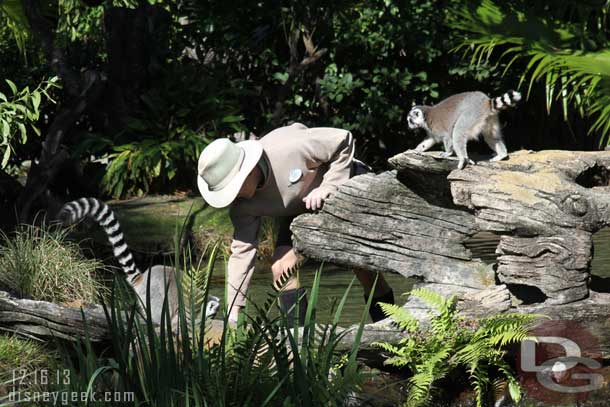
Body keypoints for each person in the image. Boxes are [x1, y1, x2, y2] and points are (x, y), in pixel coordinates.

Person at [196, 122, 394, 325]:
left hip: (346, 187)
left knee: (363, 270)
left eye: (233, 187)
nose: (233, 195)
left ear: (248, 169)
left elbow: (343, 139)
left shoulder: (291, 148)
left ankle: (392, 337)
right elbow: (242, 252)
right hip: (303, 207)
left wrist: (329, 186)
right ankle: (298, 346)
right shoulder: (242, 206)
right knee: (282, 268)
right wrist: (233, 311)